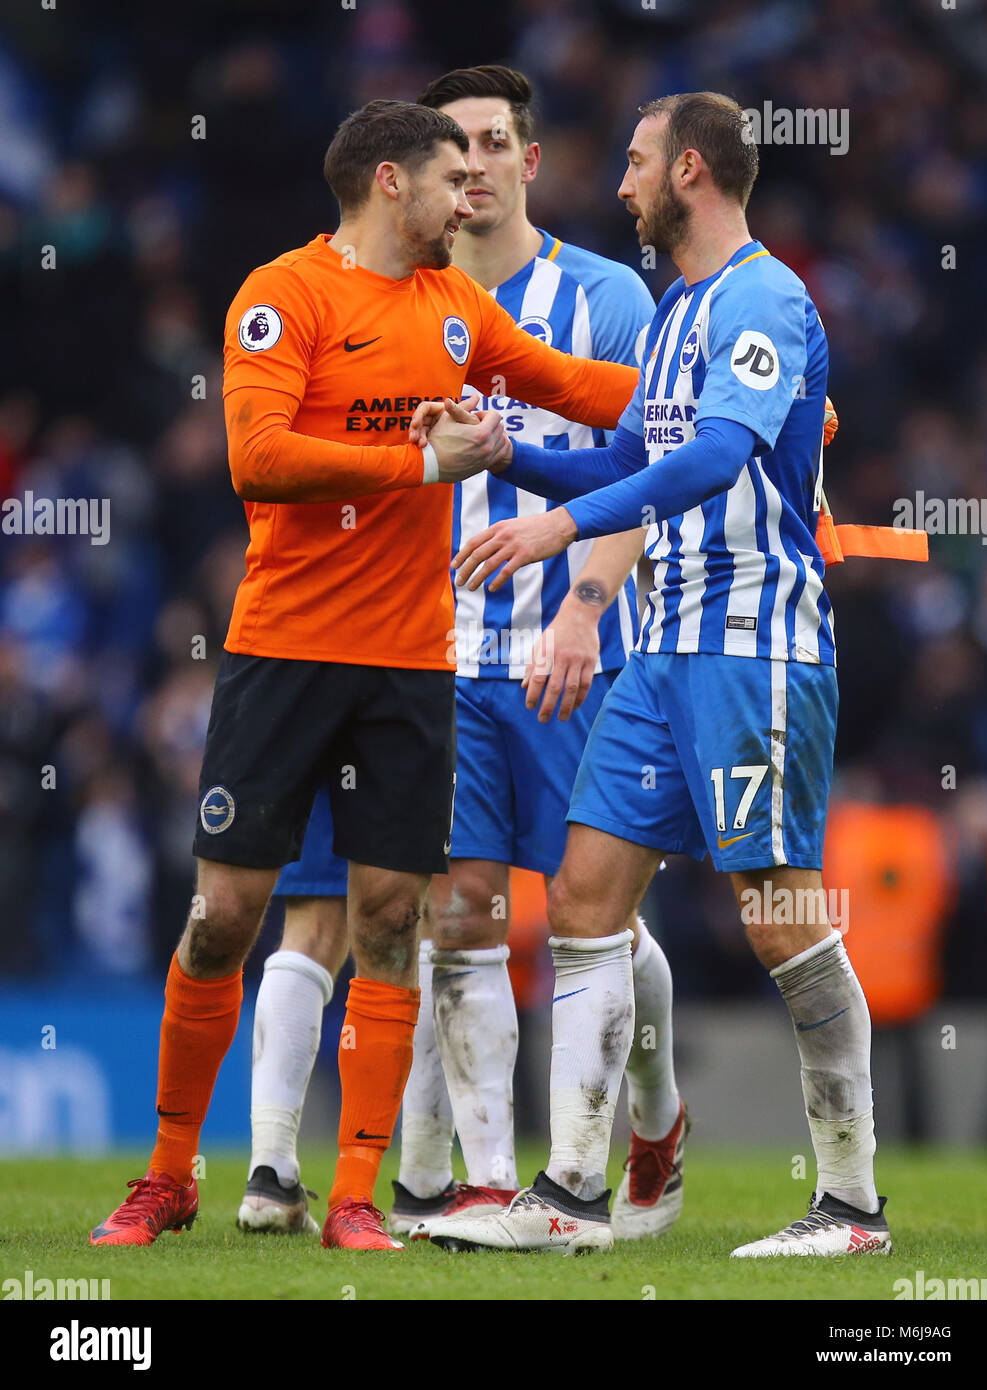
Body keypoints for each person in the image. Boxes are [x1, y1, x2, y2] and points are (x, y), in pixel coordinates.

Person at [89, 98, 636, 1252]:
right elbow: (259, 456)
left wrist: (743, 408)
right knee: (226, 914)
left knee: (391, 919)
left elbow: (573, 385)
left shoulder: (455, 307)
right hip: (281, 652)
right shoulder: (282, 295)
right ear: (390, 182)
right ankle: (170, 1171)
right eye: (449, 177)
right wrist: (413, 459)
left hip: (406, 665)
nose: (466, 195)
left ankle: (352, 1196)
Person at [429, 91, 891, 1257]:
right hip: (663, 651)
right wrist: (501, 452)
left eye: (634, 165)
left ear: (689, 170)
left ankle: (848, 1204)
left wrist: (557, 531)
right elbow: (634, 451)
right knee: (583, 896)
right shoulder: (679, 308)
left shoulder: (763, 297)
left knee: (780, 917)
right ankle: (572, 1193)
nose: (619, 184)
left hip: (752, 645)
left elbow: (721, 453)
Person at [238, 66, 687, 1247]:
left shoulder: (599, 297)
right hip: (425, 662)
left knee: (603, 922)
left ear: (528, 161)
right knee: (460, 911)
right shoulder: (384, 296)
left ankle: (654, 1115)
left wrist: (585, 604)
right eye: (457, 150)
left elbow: (658, 454)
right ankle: (485, 1180)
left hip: (572, 652)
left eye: (493, 143)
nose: (475, 166)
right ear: (421, 174)